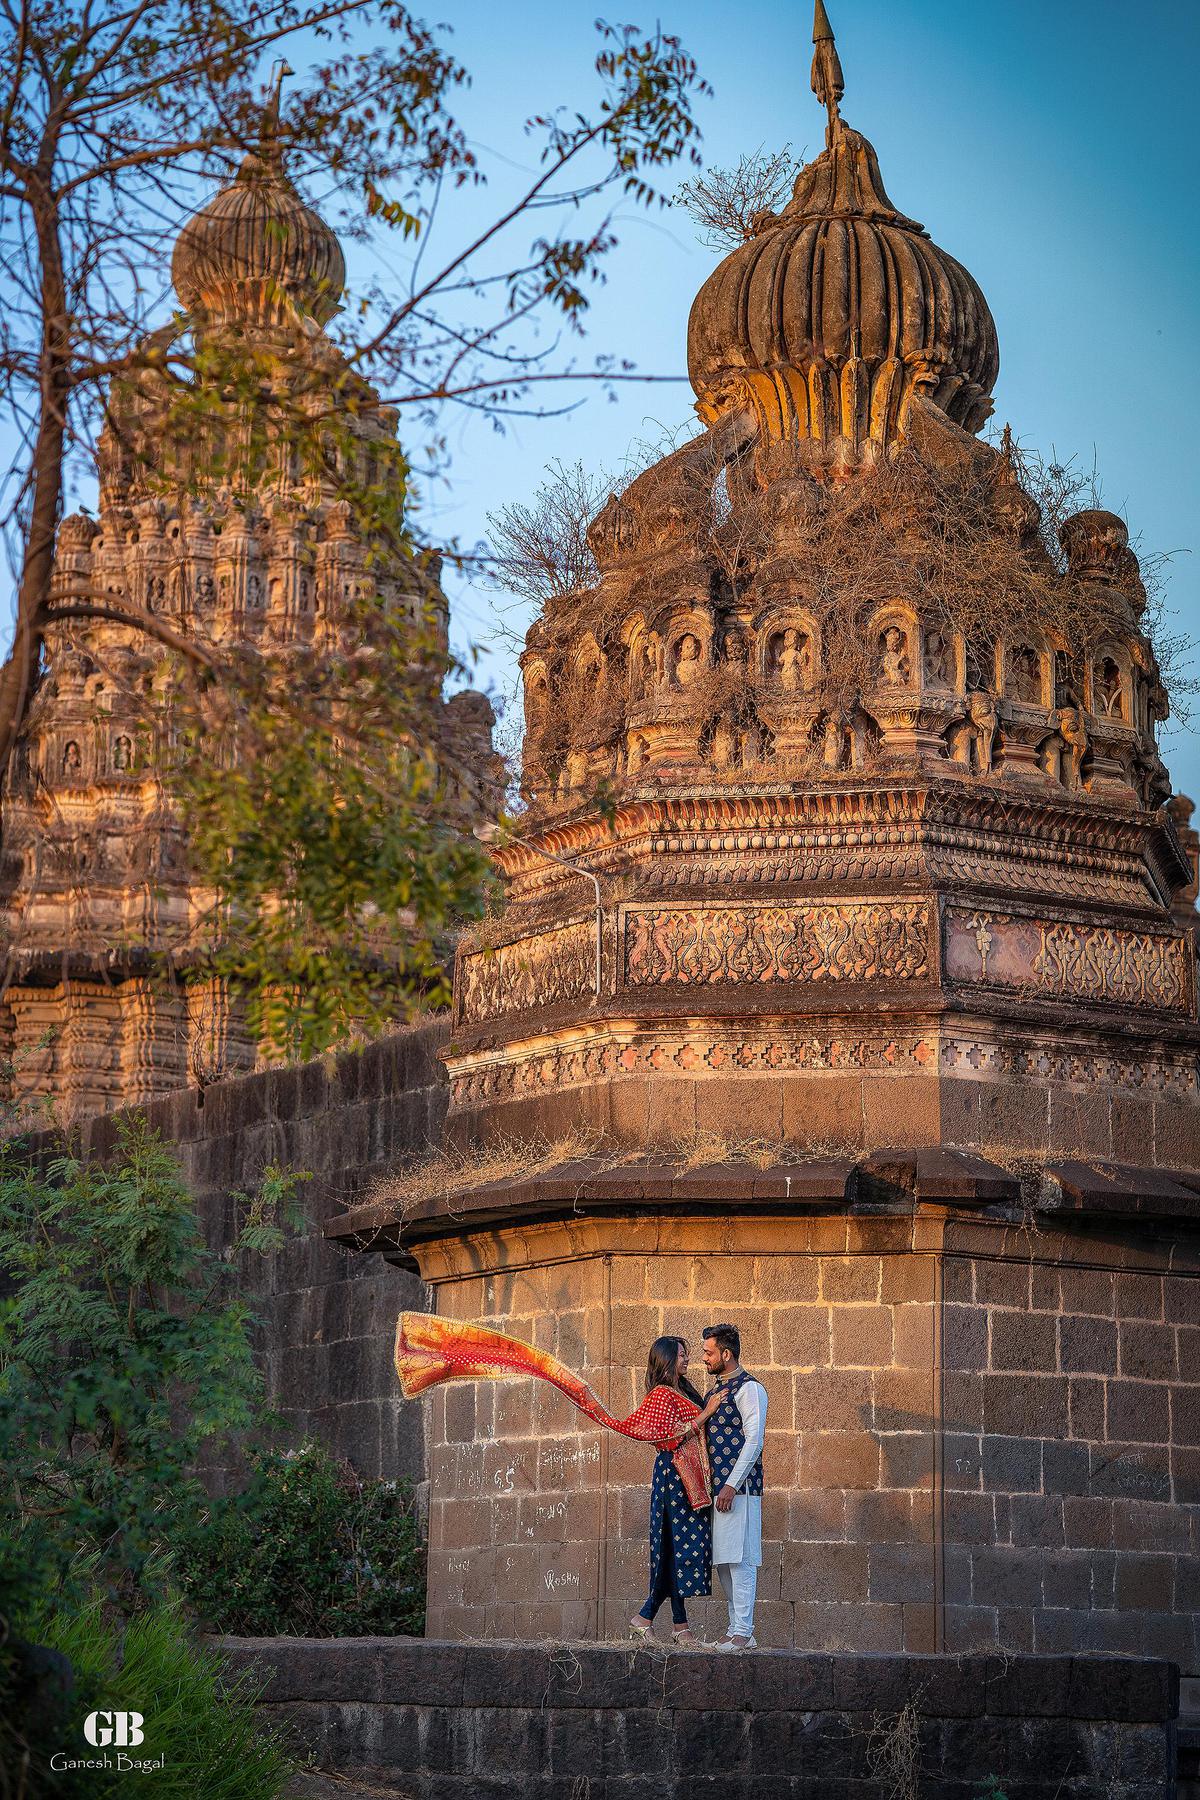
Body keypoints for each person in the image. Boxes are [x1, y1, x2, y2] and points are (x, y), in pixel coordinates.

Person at [629, 1336, 721, 1647]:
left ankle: (673, 1625)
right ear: (667, 1359)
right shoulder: (660, 1394)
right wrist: (706, 1412)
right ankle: (659, 1621)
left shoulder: (679, 1390)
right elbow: (668, 1438)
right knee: (672, 1546)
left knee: (676, 1547)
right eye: (682, 1355)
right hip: (672, 1475)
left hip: (686, 1478)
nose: (687, 1360)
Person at [689, 1322, 768, 1651]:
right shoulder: (714, 1393)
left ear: (727, 1353)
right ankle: (737, 1629)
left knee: (741, 1559)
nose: (703, 1358)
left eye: (708, 1353)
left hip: (740, 1491)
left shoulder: (750, 1389)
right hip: (717, 1492)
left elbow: (754, 1441)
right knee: (723, 1561)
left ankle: (743, 1630)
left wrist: (732, 1485)